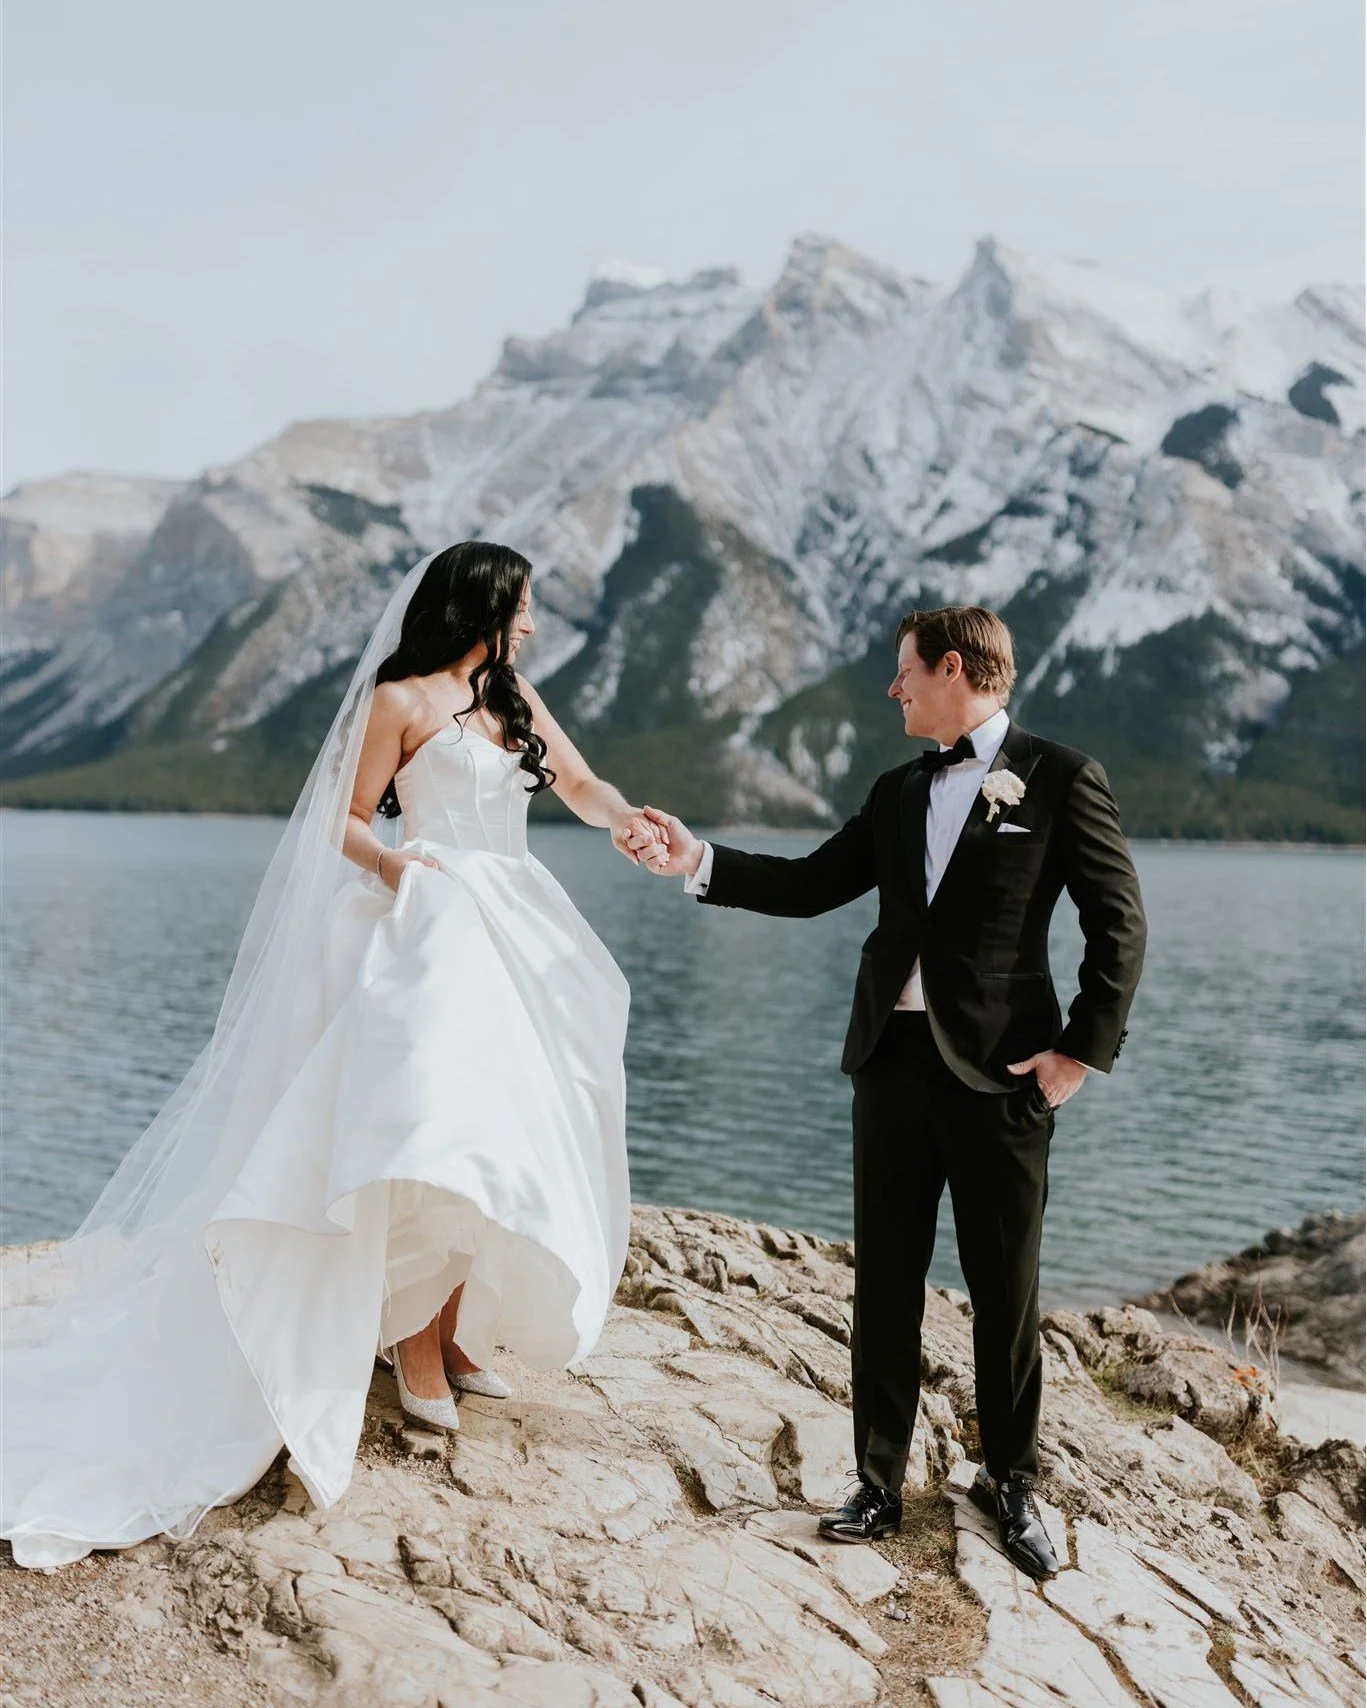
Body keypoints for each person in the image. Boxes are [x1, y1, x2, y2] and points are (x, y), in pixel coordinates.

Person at [1, 541, 664, 1570]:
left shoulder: (514, 693)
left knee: (512, 1130)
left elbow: (576, 782)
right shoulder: (397, 699)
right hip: (429, 928)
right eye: (523, 607)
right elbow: (345, 824)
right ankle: (408, 1347)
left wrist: (627, 821)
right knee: (437, 1130)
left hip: (517, 923)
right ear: (482, 605)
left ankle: (444, 1329)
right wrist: (405, 871)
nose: (532, 625)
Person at [641, 605, 1146, 1579]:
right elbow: (806, 882)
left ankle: (1011, 1485)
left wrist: (1074, 1058)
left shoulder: (1061, 777)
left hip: (1002, 1078)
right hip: (888, 1065)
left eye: (902, 672)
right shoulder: (893, 792)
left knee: (1003, 1292)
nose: (892, 689)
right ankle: (877, 1482)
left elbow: (1117, 927)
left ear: (950, 668)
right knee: (883, 1285)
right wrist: (693, 859)